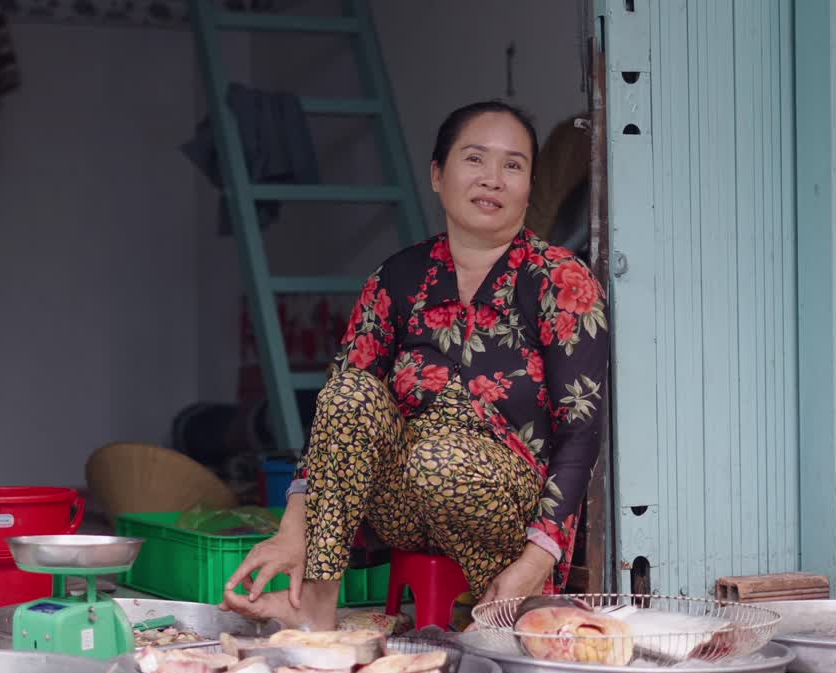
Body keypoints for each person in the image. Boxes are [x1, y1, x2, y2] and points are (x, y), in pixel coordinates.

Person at [219, 101, 609, 631]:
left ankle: (503, 597)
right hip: (403, 500)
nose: (492, 179)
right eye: (475, 159)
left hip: (505, 504)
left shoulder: (559, 279)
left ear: (530, 185)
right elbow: (342, 411)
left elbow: (581, 433)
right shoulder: (400, 276)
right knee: (349, 391)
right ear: (437, 175)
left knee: (438, 459)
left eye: (513, 166)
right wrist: (294, 527)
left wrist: (538, 558)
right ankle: (314, 604)